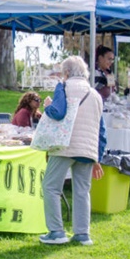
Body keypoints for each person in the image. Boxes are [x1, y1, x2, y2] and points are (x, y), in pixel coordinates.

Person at [39, 56, 106, 246]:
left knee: (51, 187)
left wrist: (47, 107)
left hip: (64, 145)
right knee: (83, 190)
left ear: (66, 73)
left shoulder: (64, 87)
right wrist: (97, 157)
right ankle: (82, 234)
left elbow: (58, 112)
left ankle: (56, 231)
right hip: (87, 148)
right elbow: (102, 130)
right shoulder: (95, 95)